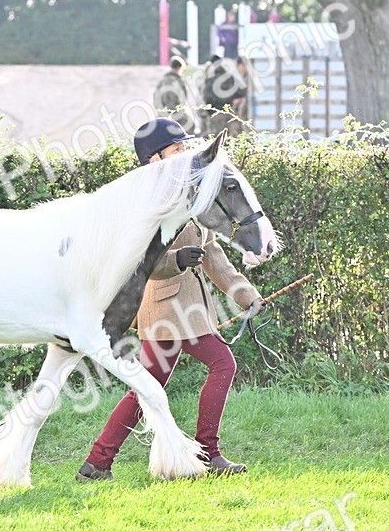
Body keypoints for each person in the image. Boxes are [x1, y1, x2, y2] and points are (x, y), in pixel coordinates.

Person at [76, 117, 264, 481]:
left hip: (185, 308)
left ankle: (98, 461)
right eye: (177, 150)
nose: (185, 154)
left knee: (147, 388)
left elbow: (214, 257)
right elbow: (137, 261)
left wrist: (246, 296)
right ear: (155, 159)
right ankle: (208, 453)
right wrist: (175, 260)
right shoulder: (145, 203)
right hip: (166, 306)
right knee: (223, 365)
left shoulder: (189, 194)